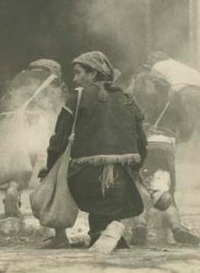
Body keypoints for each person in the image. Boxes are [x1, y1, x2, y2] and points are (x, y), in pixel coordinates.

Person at [42, 51, 147, 252]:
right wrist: (136, 168)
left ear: (93, 74)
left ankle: (101, 233)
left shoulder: (79, 96)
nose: (75, 79)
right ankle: (110, 232)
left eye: (79, 72)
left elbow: (59, 137)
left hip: (86, 177)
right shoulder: (127, 98)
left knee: (92, 198)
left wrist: (50, 167)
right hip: (122, 179)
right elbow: (141, 140)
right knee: (109, 204)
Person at [129, 71, 200, 246]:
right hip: (165, 147)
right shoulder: (175, 102)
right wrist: (178, 136)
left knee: (144, 187)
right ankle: (177, 227)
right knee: (163, 189)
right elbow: (187, 131)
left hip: (145, 146)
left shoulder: (143, 100)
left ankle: (140, 224)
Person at [0, 59, 68, 219]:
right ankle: (46, 203)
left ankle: (13, 187)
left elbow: (4, 103)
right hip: (37, 119)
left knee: (20, 162)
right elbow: (62, 105)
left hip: (12, 119)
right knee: (40, 158)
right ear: (54, 69)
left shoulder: (18, 77)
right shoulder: (54, 79)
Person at [145, 51, 200, 157]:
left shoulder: (157, 66)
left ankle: (189, 160)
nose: (149, 65)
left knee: (185, 127)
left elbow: (155, 92)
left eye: (149, 62)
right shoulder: (178, 65)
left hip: (187, 93)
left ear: (154, 59)